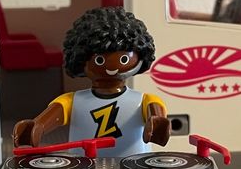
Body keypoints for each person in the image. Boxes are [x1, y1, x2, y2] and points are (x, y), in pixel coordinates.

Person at [13, 8, 170, 157]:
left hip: (132, 165)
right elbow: (51, 117)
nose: (112, 68)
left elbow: (157, 118)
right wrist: (36, 127)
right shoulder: (72, 101)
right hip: (83, 166)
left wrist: (157, 125)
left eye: (124, 59)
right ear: (80, 60)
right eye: (99, 60)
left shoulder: (144, 100)